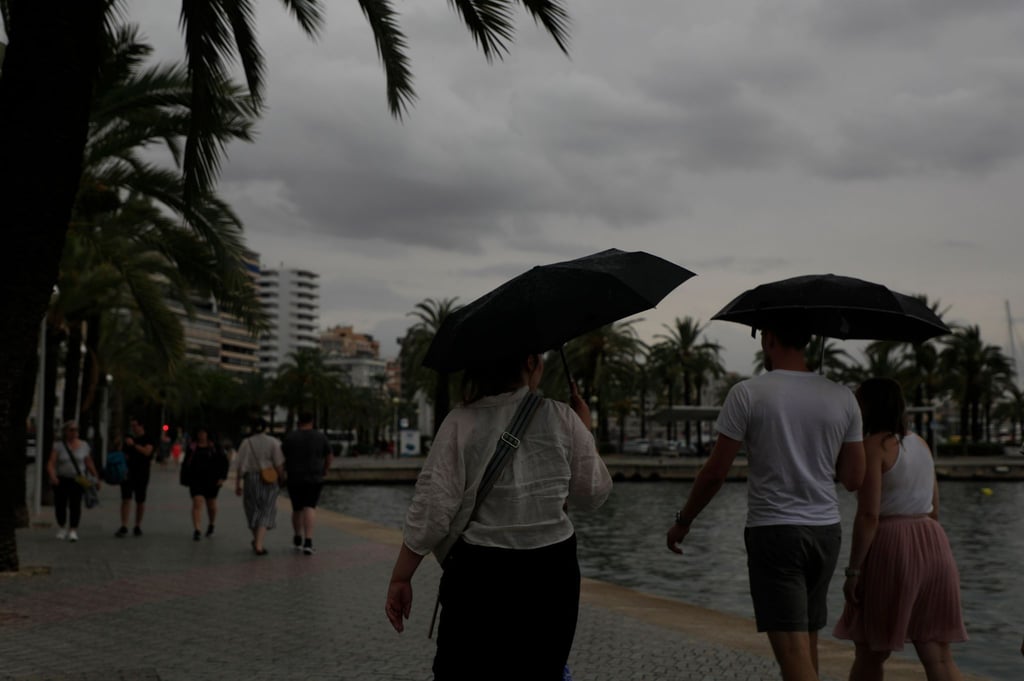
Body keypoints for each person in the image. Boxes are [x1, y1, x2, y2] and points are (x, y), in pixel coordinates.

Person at [385, 353, 612, 681]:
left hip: (481, 575)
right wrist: (584, 429)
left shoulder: (460, 421)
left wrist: (401, 577)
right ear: (530, 362)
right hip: (553, 573)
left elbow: (432, 511)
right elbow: (593, 493)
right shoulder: (562, 416)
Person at [665, 322, 865, 681]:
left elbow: (715, 473)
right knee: (806, 643)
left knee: (792, 653)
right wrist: (821, 445)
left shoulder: (747, 393)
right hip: (826, 532)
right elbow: (854, 479)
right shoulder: (844, 397)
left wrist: (684, 520)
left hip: (775, 532)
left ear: (769, 338)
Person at [833, 378, 967, 680]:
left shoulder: (873, 446)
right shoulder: (921, 444)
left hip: (892, 544)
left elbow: (869, 515)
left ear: (869, 406)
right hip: (934, 543)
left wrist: (854, 571)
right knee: (938, 653)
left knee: (871, 650)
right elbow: (934, 507)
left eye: (858, 400)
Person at [282, 411, 332, 555]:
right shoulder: (320, 437)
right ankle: (308, 542)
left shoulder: (290, 437)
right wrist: (325, 469)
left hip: (294, 477)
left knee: (296, 508)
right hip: (314, 477)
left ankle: (297, 538)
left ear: (299, 421)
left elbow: (282, 456)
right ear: (312, 421)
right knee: (310, 507)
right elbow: (329, 456)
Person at [234, 418, 285, 555]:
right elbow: (279, 463)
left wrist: (237, 484)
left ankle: (257, 540)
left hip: (250, 478)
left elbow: (239, 465)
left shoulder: (246, 443)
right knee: (266, 509)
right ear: (265, 428)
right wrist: (282, 478)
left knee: (252, 509)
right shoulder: (273, 442)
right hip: (268, 479)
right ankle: (259, 544)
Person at [46, 420, 100, 542]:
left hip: (78, 479)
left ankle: (73, 529)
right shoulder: (58, 446)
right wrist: (53, 476)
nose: (74, 432)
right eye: (71, 430)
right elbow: (51, 462)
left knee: (75, 504)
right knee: (60, 504)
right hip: (62, 479)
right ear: (65, 431)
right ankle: (62, 526)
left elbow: (89, 462)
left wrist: (96, 477)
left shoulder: (84, 445)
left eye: (76, 430)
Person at [182, 427, 229, 541]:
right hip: (195, 479)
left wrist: (222, 477)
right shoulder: (192, 447)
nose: (201, 435)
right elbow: (186, 462)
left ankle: (211, 524)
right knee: (197, 502)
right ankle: (197, 529)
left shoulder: (215, 447)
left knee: (211, 504)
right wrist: (185, 478)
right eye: (199, 433)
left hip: (212, 479)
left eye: (203, 433)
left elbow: (224, 462)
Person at [117, 417, 155, 537]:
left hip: (142, 472)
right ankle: (124, 525)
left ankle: (137, 525)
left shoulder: (148, 438)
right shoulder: (128, 438)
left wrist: (134, 445)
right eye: (131, 426)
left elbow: (147, 452)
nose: (133, 428)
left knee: (140, 500)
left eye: (135, 425)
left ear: (141, 426)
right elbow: (123, 453)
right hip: (128, 472)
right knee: (126, 498)